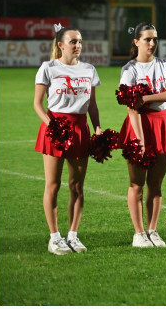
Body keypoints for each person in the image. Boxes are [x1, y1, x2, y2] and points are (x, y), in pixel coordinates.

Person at [34, 24, 102, 254]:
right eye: (73, 41)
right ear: (60, 45)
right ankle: (54, 237)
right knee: (52, 185)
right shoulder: (49, 68)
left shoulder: (89, 69)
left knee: (77, 186)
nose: (78, 45)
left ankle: (73, 235)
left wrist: (98, 128)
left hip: (80, 128)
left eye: (80, 41)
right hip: (55, 127)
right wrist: (51, 124)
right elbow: (37, 103)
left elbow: (92, 105)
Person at [117, 22, 166, 247]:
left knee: (156, 183)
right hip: (138, 124)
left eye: (155, 39)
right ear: (136, 42)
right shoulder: (129, 70)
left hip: (162, 124)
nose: (152, 44)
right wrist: (140, 141)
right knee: (136, 183)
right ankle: (139, 233)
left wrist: (143, 98)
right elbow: (130, 108)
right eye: (147, 39)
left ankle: (153, 230)